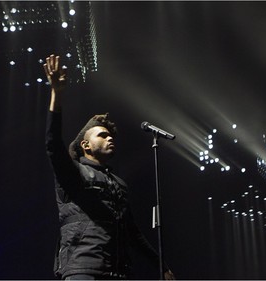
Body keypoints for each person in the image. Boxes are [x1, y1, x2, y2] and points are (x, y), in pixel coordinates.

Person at [43, 54, 175, 280]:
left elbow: (132, 232)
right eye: (102, 135)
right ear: (85, 145)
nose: (110, 138)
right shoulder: (73, 173)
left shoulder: (119, 184)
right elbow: (53, 144)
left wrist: (161, 266)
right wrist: (56, 93)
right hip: (84, 270)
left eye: (111, 135)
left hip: (118, 272)